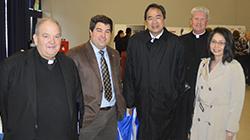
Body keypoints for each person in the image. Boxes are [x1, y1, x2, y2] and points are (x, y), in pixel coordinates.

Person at [0, 17, 84, 140]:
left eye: (57, 36)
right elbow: (3, 105)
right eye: (46, 36)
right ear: (35, 39)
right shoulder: (13, 66)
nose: (52, 41)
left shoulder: (68, 64)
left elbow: (78, 100)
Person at [123, 3, 185, 140]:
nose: (154, 22)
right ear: (145, 21)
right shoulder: (136, 42)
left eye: (158, 17)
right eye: (150, 18)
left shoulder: (176, 44)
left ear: (164, 19)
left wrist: (175, 97)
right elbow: (130, 72)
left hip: (167, 106)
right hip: (143, 104)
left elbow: (180, 76)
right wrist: (129, 102)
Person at [67, 15, 126, 140]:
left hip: (112, 116)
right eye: (99, 30)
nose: (103, 35)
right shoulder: (75, 54)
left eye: (107, 31)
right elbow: (69, 90)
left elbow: (117, 83)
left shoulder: (114, 54)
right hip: (89, 118)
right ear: (90, 32)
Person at [190, 27, 245, 140]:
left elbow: (237, 102)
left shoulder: (234, 67)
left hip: (219, 122)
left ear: (228, 45)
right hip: (200, 120)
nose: (216, 46)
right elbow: (197, 95)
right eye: (213, 42)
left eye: (221, 43)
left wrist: (231, 130)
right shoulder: (204, 63)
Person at [175, 6, 210, 140]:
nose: (199, 22)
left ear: (207, 22)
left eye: (202, 19)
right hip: (185, 90)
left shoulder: (213, 41)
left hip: (206, 92)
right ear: (191, 21)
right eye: (196, 19)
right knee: (182, 124)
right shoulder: (180, 41)